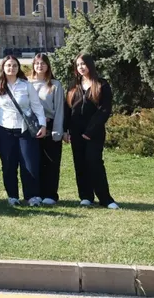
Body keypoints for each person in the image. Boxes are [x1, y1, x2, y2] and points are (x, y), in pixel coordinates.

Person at [0, 55, 47, 206]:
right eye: (8, 65)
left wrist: (42, 125)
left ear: (18, 68)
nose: (11, 68)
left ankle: (32, 196)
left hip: (25, 130)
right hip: (5, 130)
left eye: (15, 65)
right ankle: (13, 196)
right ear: (3, 68)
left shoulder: (26, 85)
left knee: (29, 164)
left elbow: (37, 106)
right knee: (9, 165)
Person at [67, 54, 118, 210]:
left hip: (94, 132)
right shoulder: (73, 85)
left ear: (90, 64)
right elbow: (68, 109)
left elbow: (104, 110)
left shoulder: (101, 84)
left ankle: (105, 198)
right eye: (78, 65)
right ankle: (85, 196)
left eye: (83, 64)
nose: (81, 67)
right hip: (76, 132)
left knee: (94, 162)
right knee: (80, 164)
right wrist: (66, 130)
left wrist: (90, 131)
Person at [31, 52, 66, 205]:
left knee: (51, 162)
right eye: (37, 63)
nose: (40, 66)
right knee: (35, 161)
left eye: (43, 63)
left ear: (48, 66)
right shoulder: (27, 83)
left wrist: (57, 131)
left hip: (51, 125)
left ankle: (50, 194)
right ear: (33, 65)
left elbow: (59, 109)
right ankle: (36, 193)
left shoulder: (55, 85)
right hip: (32, 127)